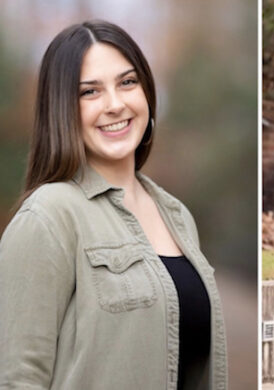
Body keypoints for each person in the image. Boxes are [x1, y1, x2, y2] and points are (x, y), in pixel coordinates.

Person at [0, 20, 226, 390]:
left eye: (127, 82)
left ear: (147, 92)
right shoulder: (48, 218)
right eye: (90, 92)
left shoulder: (178, 217)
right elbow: (17, 379)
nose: (115, 104)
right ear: (62, 109)